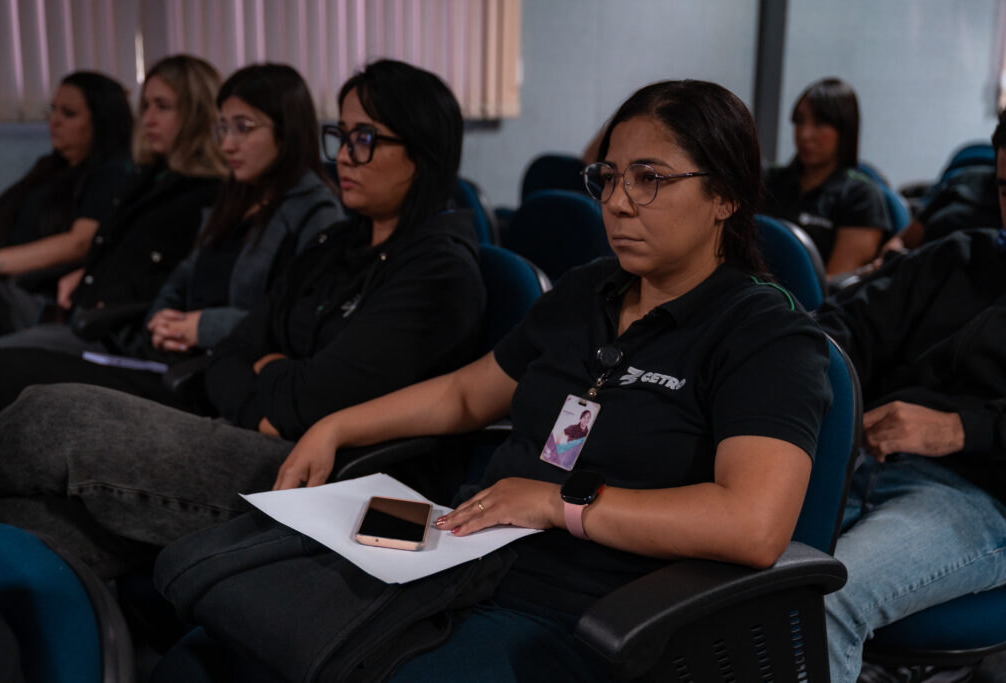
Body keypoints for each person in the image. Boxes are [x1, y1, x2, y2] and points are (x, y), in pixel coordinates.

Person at [153, 78, 833, 682]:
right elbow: (464, 394)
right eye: (609, 177)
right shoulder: (586, 291)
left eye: (650, 178)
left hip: (592, 608)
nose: (619, 203)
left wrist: (556, 502)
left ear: (726, 197)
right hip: (466, 559)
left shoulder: (764, 334)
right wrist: (336, 425)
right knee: (202, 646)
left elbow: (753, 523)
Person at [0, 59, 486, 579]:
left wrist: (267, 376)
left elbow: (308, 403)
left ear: (423, 154)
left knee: (50, 415)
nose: (343, 157)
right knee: (19, 522)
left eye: (365, 137)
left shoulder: (438, 272)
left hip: (314, 480)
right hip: (246, 428)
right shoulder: (338, 243)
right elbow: (232, 353)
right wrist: (270, 383)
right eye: (340, 134)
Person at [0, 63, 343, 411]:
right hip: (162, 351)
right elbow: (182, 275)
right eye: (223, 129)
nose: (228, 144)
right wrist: (161, 320)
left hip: (210, 375)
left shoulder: (314, 210)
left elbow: (296, 321)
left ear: (287, 130)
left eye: (243, 128)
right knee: (1, 367)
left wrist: (201, 327)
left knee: (2, 368)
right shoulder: (236, 197)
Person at [819, 110, 1006, 683]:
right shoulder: (962, 257)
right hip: (864, 462)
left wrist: (959, 428)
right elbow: (844, 325)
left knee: (820, 601)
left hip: (984, 500)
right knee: (722, 572)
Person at [0, 55, 226, 351]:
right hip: (79, 309)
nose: (148, 118)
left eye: (162, 107)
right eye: (145, 106)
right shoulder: (145, 177)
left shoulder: (197, 192)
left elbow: (85, 245)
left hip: (92, 320)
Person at [0, 72, 132, 325]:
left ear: (101, 120)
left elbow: (80, 243)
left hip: (30, 293)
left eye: (69, 114)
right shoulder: (49, 166)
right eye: (53, 111)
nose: (55, 121)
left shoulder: (111, 173)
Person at [764, 78, 891, 277]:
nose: (804, 134)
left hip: (808, 306)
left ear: (844, 130)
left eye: (820, 123)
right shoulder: (769, 180)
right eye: (799, 121)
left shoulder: (861, 197)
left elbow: (832, 287)